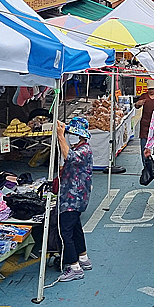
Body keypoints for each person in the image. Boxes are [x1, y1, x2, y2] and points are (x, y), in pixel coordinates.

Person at [55, 116, 93, 282]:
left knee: (66, 232)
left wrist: (60, 136)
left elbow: (69, 156)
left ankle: (74, 266)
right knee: (76, 228)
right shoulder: (81, 147)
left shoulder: (84, 150)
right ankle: (83, 257)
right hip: (74, 195)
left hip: (73, 197)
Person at [134, 80, 154, 153]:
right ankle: (146, 163)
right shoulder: (144, 96)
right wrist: (138, 103)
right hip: (145, 123)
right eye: (149, 89)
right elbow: (136, 106)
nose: (151, 91)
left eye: (153, 89)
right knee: (144, 144)